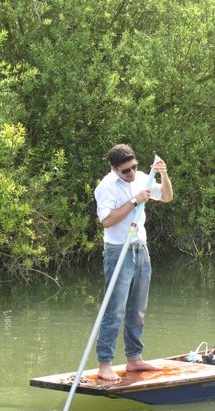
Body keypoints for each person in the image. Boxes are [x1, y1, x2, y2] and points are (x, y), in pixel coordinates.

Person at [93, 144, 173, 381]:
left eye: (134, 167)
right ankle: (104, 363)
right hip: (118, 251)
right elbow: (107, 221)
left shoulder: (142, 178)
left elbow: (167, 197)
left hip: (141, 249)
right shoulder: (106, 186)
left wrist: (164, 175)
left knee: (137, 310)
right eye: (126, 170)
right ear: (114, 168)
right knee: (114, 310)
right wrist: (134, 201)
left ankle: (134, 359)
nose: (131, 173)